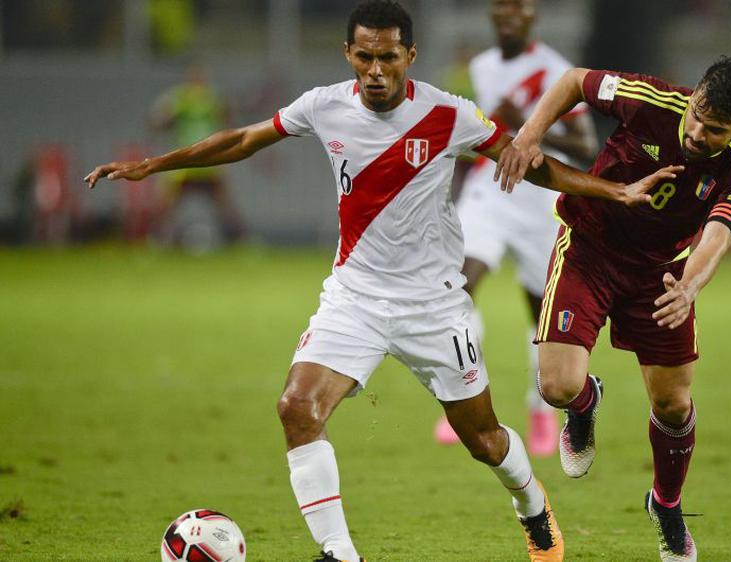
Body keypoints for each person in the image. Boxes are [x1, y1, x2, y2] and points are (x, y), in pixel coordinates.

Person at [84, 2, 679, 560]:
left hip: (434, 309)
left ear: (409, 57)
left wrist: (613, 189)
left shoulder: (449, 114)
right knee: (296, 408)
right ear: (348, 54)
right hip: (354, 298)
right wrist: (154, 165)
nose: (375, 70)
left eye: (388, 57)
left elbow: (532, 163)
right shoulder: (322, 105)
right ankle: (339, 553)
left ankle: (531, 504)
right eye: (364, 56)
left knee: (484, 440)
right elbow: (244, 139)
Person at [495, 56, 731, 561]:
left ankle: (666, 506)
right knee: (557, 385)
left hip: (662, 275)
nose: (696, 134)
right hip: (590, 249)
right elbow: (576, 81)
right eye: (696, 116)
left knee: (672, 404)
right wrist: (530, 134)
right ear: (695, 94)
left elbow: (717, 233)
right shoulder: (652, 99)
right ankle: (584, 404)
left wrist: (688, 287)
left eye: (715, 131)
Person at [433, 0, 598, 456]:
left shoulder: (555, 70)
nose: (507, 18)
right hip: (489, 193)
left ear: (532, 16)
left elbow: (586, 144)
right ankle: (465, 403)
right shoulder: (482, 66)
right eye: (500, 10)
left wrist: (524, 128)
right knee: (457, 288)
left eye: (516, 10)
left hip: (538, 203)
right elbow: (484, 134)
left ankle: (540, 410)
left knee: (540, 315)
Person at [149, 64, 246, 244]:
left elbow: (228, 115)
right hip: (185, 157)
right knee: (168, 204)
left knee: (223, 203)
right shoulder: (180, 98)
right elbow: (158, 120)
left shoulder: (212, 97)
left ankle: (239, 239)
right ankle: (158, 238)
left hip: (210, 158)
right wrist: (169, 120)